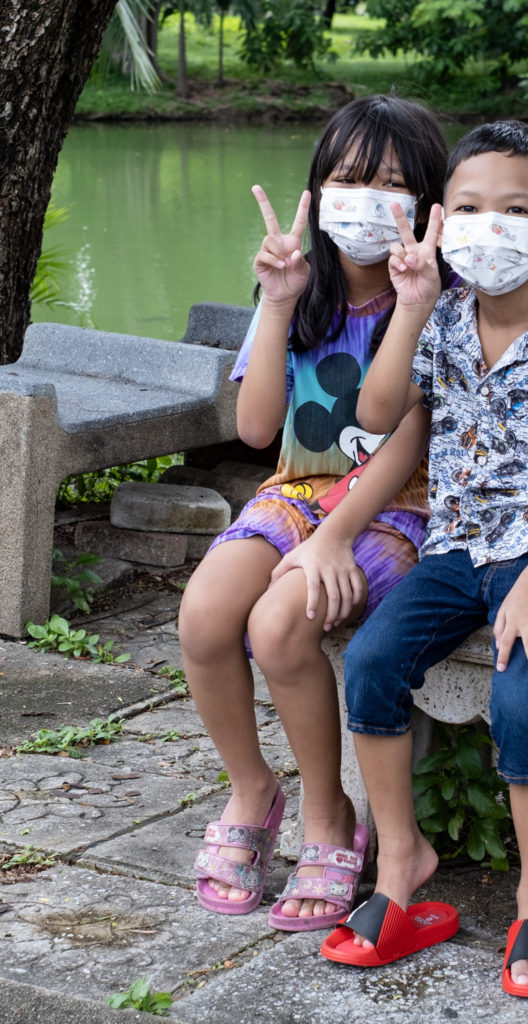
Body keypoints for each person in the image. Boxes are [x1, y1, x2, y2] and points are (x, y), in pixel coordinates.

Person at [320, 121, 528, 996]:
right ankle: (401, 865)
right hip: (460, 543)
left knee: (523, 691)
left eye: (514, 208)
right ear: (439, 218)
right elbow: (386, 414)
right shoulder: (441, 321)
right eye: (468, 207)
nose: (488, 224)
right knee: (374, 662)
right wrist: (415, 305)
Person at [178, 94, 448, 931]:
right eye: (347, 179)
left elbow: (394, 433)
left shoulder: (439, 299)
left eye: (391, 185)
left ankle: (330, 816)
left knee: (280, 625)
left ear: (426, 205)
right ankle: (255, 789)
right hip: (295, 489)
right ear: (318, 190)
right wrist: (279, 300)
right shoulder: (301, 286)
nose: (366, 200)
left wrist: (334, 539)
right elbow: (258, 428)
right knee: (203, 614)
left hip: (392, 509)